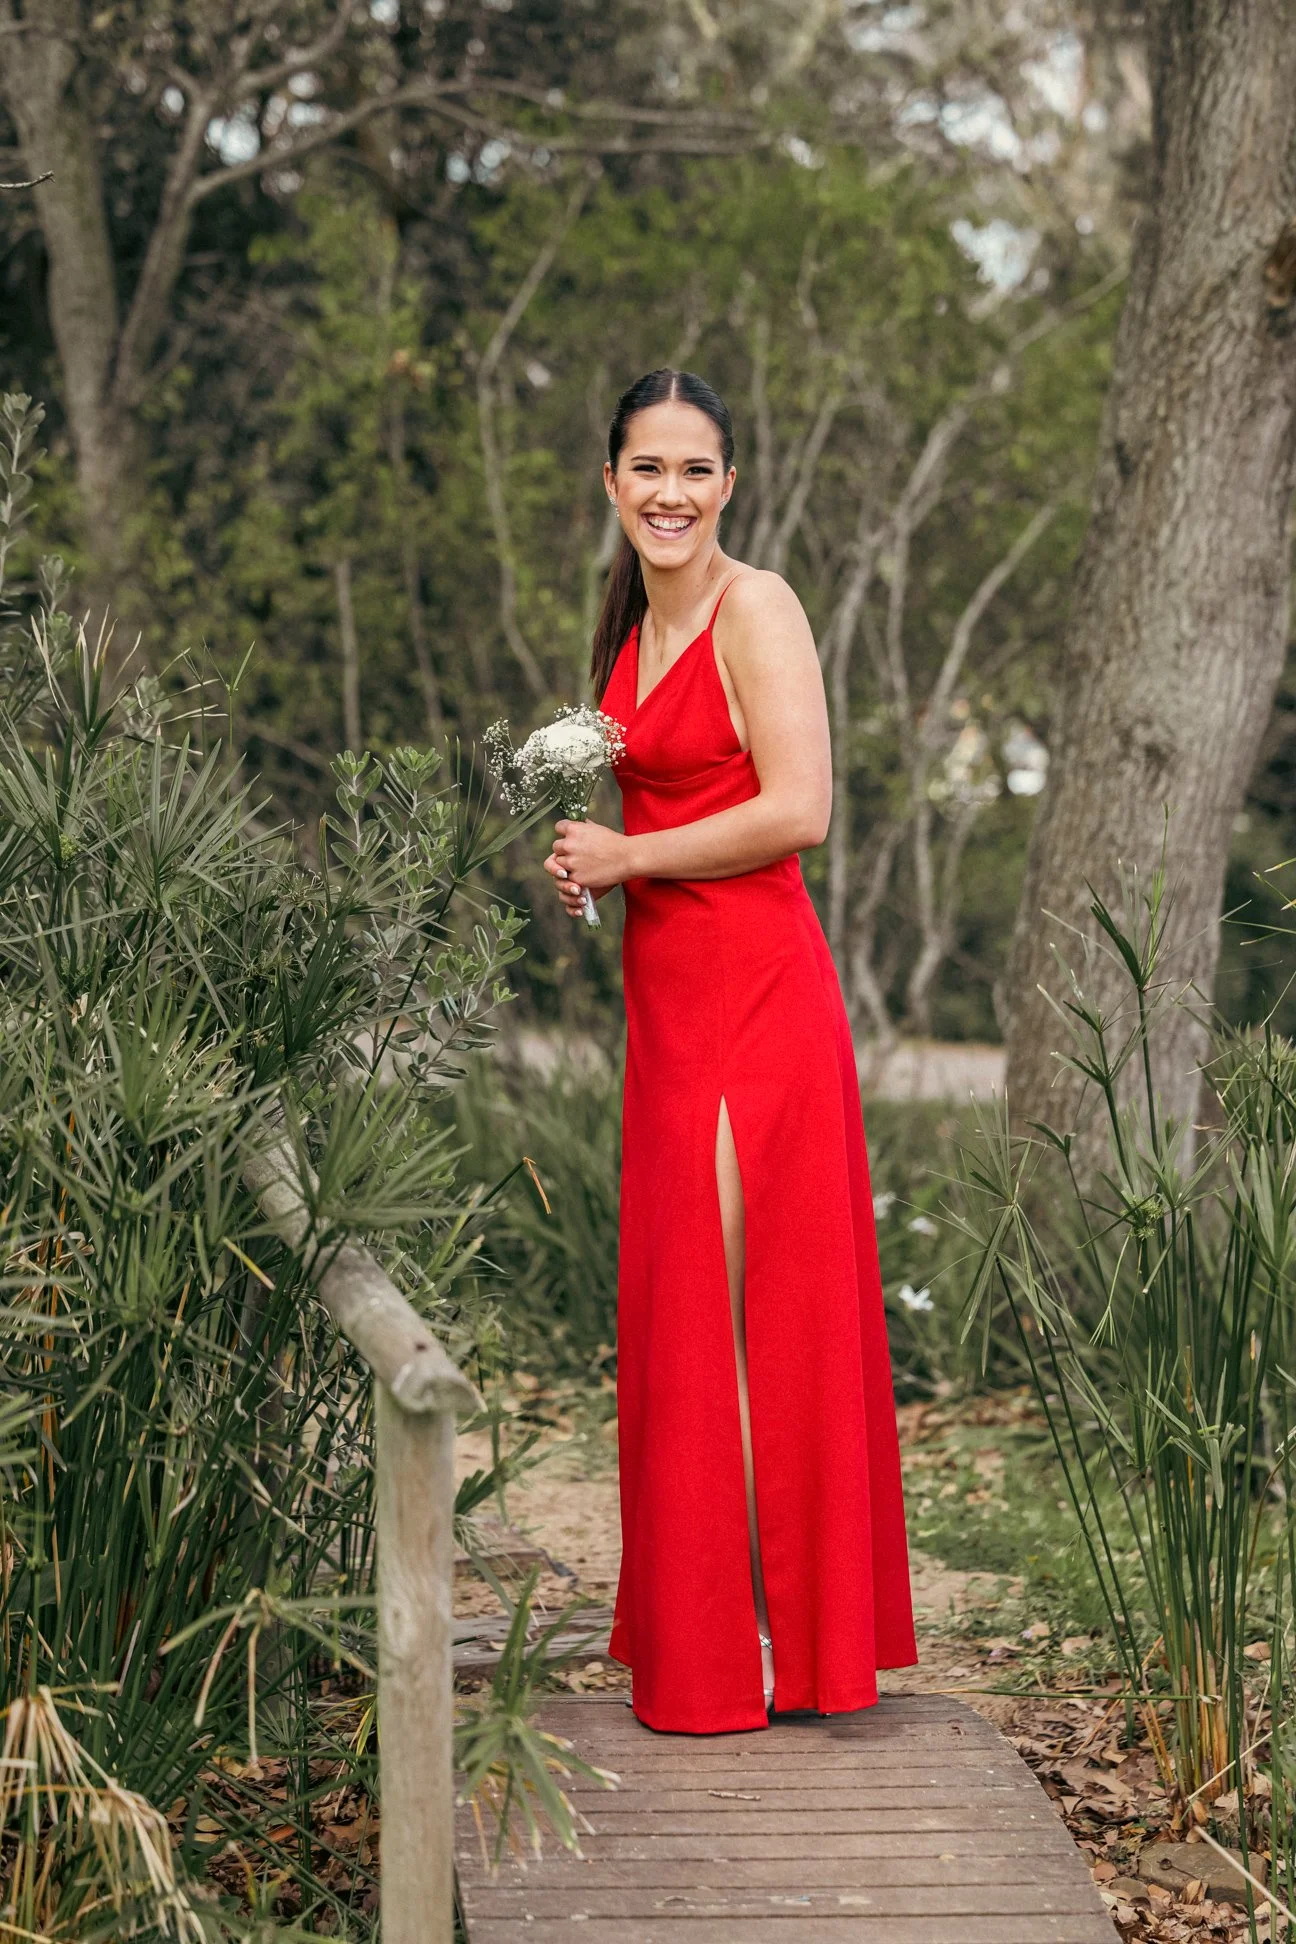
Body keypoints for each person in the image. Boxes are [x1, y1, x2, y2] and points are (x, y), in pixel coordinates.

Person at [543, 367, 917, 1734]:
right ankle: (704, 1632)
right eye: (648, 468)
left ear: (729, 484)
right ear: (611, 483)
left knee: (752, 1319)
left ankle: (772, 1639)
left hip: (758, 1000)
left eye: (694, 469)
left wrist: (630, 853)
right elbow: (659, 809)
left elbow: (800, 808)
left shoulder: (758, 608)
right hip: (667, 1004)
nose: (671, 492)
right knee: (682, 1317)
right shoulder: (628, 627)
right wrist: (594, 863)